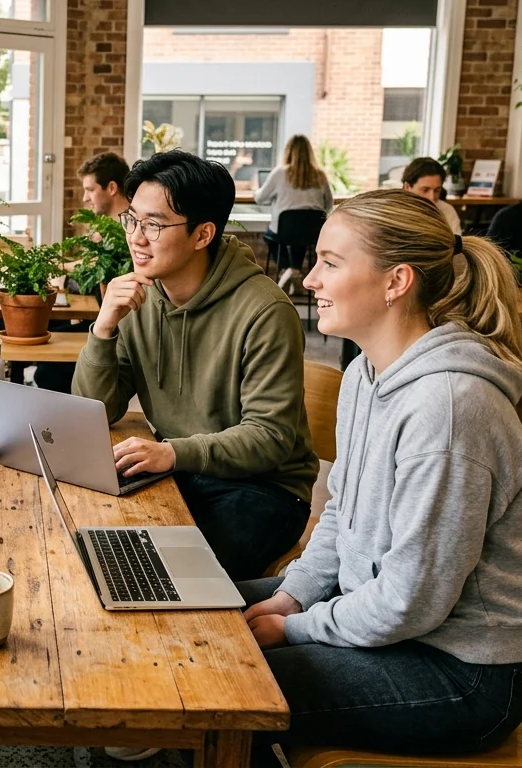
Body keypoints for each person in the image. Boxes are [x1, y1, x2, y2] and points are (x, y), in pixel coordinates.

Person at [235, 188, 522, 767]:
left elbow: (412, 601)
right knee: (194, 615)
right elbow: (338, 512)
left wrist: (301, 628)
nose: (310, 280)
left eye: (330, 263)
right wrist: (292, 597)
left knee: (228, 684)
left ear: (395, 281)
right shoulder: (364, 372)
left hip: (465, 671)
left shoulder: (449, 408)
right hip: (387, 621)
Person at [72, 149, 318, 583]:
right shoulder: (139, 297)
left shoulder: (266, 311)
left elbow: (271, 436)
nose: (137, 237)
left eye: (154, 224)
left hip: (263, 490)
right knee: (86, 540)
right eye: (133, 219)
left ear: (203, 234)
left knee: (169, 579)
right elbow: (98, 409)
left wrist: (171, 452)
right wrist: (104, 327)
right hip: (179, 468)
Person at [33, 151, 132, 394]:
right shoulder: (107, 227)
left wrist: (59, 267)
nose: (85, 198)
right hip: (101, 321)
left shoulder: (129, 230)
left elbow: (94, 269)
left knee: (47, 367)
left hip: (118, 331)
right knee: (48, 331)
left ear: (111, 187)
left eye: (90, 189)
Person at [255, 134, 334, 293]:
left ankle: (286, 269)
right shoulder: (320, 174)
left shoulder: (280, 173)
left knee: (271, 237)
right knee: (301, 236)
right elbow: (329, 204)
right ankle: (296, 270)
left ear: (288, 151)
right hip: (313, 232)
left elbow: (260, 198)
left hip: (284, 230)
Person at [401, 157, 463, 234]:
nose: (432, 197)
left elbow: (457, 244)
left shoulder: (447, 211)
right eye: (425, 190)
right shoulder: (391, 212)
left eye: (437, 190)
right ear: (407, 187)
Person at [79, 152, 130, 218]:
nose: (85, 198)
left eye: (90, 190)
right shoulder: (98, 225)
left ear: (112, 188)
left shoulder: (139, 226)